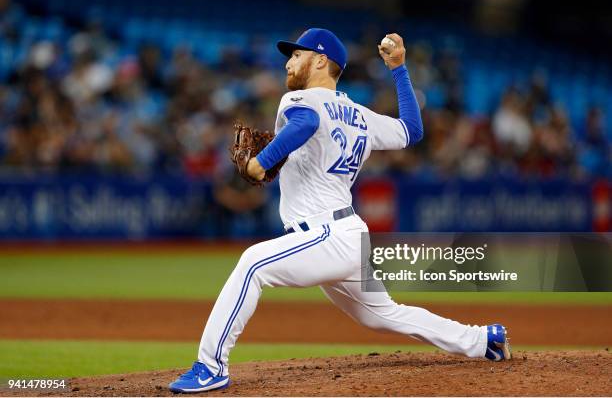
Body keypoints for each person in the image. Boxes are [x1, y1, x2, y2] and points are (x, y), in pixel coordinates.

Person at [169, 28, 511, 393]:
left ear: (319, 61)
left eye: (296, 55)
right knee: (383, 314)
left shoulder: (300, 100)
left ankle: (210, 366)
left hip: (325, 235)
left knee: (252, 264)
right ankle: (482, 340)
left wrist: (261, 162)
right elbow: (412, 130)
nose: (288, 62)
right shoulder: (359, 114)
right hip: (346, 233)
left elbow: (308, 122)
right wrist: (398, 69)